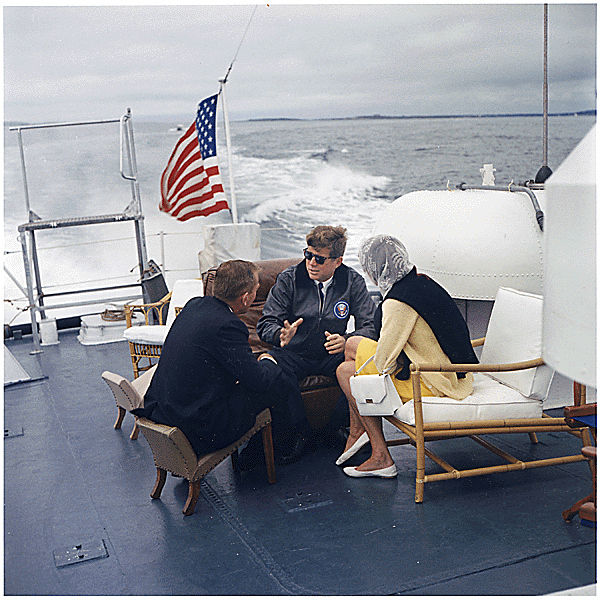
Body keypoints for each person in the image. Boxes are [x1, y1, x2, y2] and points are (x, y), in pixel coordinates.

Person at [335, 234, 479, 478]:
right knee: (352, 349)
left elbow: (383, 363)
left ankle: (378, 453)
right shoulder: (423, 282)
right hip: (456, 374)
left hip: (435, 383)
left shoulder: (397, 302)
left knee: (346, 371)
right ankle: (360, 430)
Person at [134, 260, 301, 469]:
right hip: (197, 427)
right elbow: (259, 380)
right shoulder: (228, 325)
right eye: (256, 288)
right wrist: (270, 360)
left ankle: (263, 450)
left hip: (164, 411)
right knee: (276, 380)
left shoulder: (194, 305)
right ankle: (263, 454)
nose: (258, 290)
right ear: (246, 297)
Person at [256, 225, 377, 463]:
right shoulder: (289, 279)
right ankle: (298, 433)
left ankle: (336, 428)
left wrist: (347, 340)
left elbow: (371, 324)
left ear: (337, 261)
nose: (311, 262)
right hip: (294, 352)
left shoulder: (352, 281)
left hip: (331, 354)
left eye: (319, 259)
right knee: (276, 368)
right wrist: (279, 334)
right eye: (308, 254)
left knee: (360, 364)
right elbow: (266, 322)